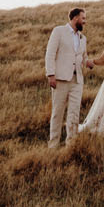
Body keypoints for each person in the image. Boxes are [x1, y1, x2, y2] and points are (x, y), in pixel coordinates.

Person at [44, 8, 91, 147]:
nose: (85, 21)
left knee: (74, 113)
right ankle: (53, 144)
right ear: (75, 18)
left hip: (77, 81)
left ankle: (71, 144)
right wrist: (50, 74)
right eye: (83, 18)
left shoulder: (83, 38)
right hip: (60, 79)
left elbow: (84, 56)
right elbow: (50, 54)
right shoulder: (58, 31)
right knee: (57, 113)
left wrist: (89, 62)